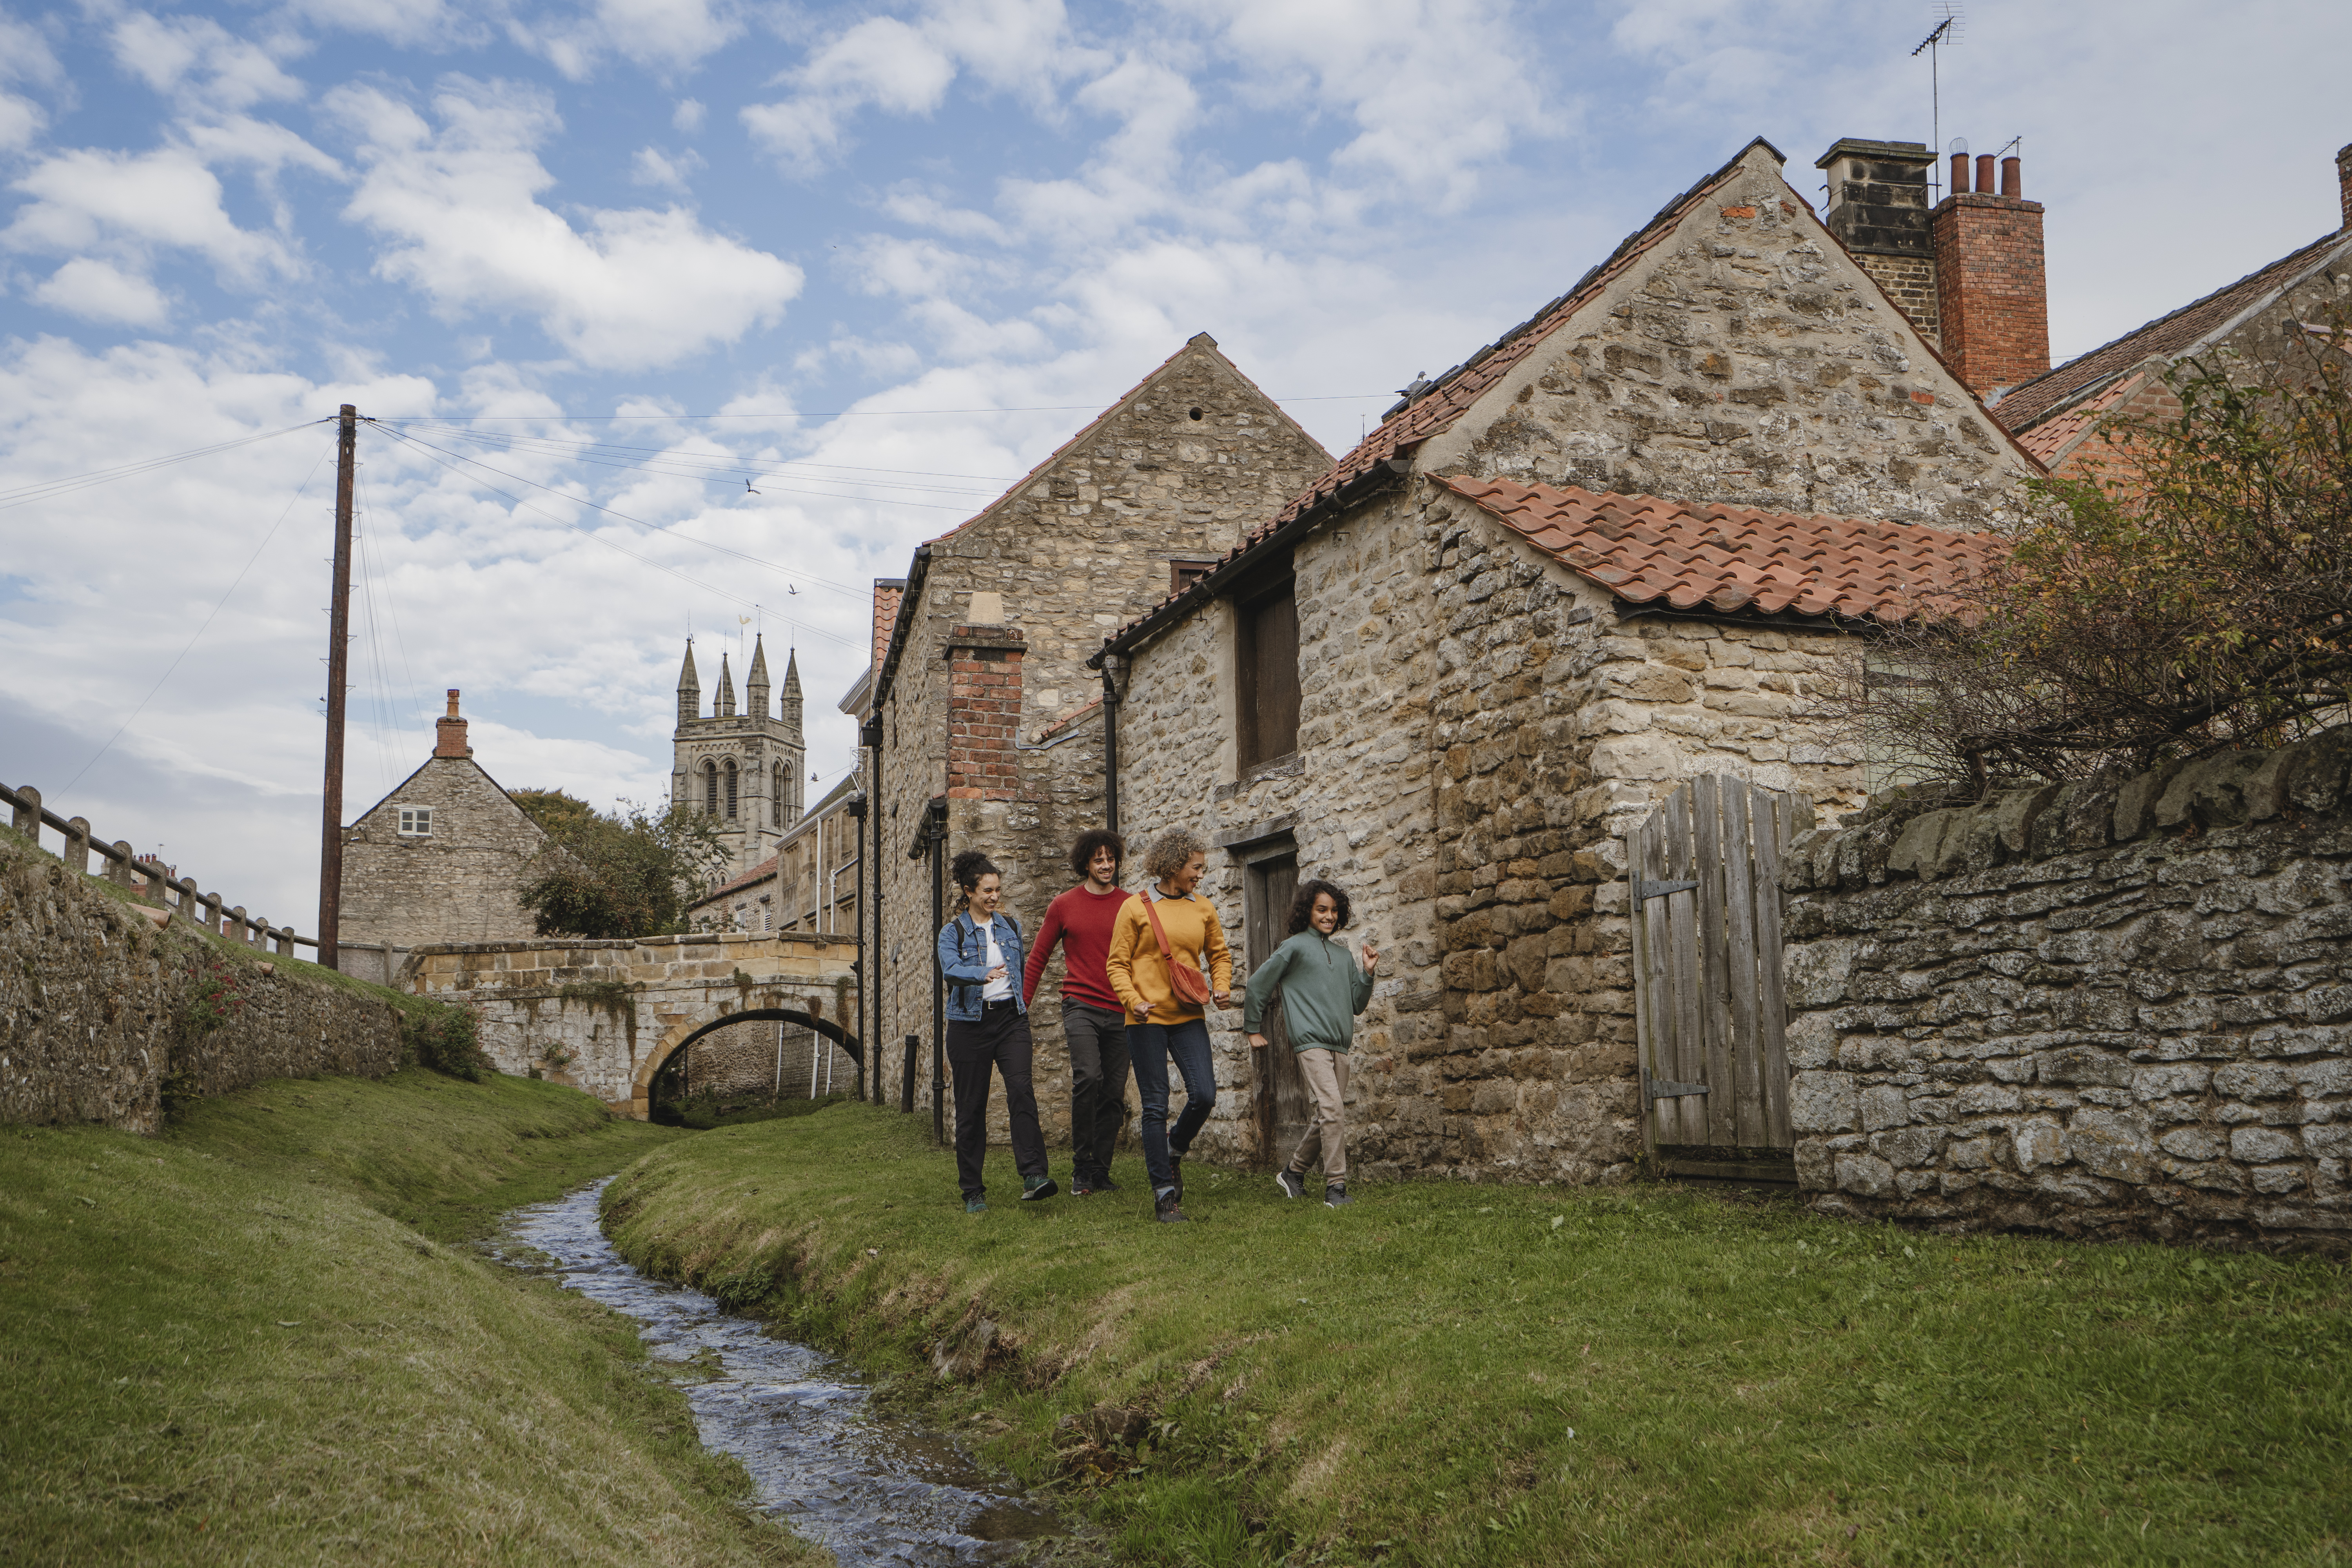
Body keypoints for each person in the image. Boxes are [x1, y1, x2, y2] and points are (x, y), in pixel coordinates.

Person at [1103, 827, 1232, 1224]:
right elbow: (1116, 964)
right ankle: (1164, 1194)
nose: (1200, 875)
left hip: (1188, 1015)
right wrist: (1133, 1000)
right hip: (1145, 1020)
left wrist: (1222, 986)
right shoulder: (1136, 907)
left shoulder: (1203, 907)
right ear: (1174, 865)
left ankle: (1175, 1147)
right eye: (1195, 867)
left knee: (1205, 1094)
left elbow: (1219, 955)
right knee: (1155, 1106)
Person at [1245, 879, 1377, 1209]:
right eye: (1322, 910)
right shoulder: (1294, 947)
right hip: (1311, 1043)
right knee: (1333, 1109)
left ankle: (1293, 1172)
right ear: (1307, 912)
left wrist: (1367, 974)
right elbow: (1258, 985)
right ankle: (1336, 1188)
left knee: (1326, 1115)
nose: (1329, 916)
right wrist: (1252, 1028)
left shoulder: (1344, 956)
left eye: (1334, 911)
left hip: (1340, 1047)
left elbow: (1357, 1005)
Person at [935, 850, 1054, 1212]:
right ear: (969, 891)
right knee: (971, 1108)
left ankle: (1034, 1176)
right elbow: (950, 970)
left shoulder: (1011, 927)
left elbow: (1022, 969)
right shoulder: (952, 932)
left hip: (1010, 1021)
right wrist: (980, 974)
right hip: (969, 1025)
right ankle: (973, 1191)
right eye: (987, 891)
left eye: (998, 889)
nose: (994, 897)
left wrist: (1020, 1001)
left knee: (1021, 1090)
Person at [1021, 829, 1135, 1196]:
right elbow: (1038, 956)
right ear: (1085, 863)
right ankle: (1082, 1167)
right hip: (1080, 1004)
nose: (1106, 865)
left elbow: (1147, 958)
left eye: (1110, 859)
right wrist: (1023, 1002)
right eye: (1098, 859)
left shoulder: (1131, 905)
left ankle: (1101, 1171)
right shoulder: (1064, 905)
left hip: (1122, 1010)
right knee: (1088, 1077)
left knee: (1114, 1092)